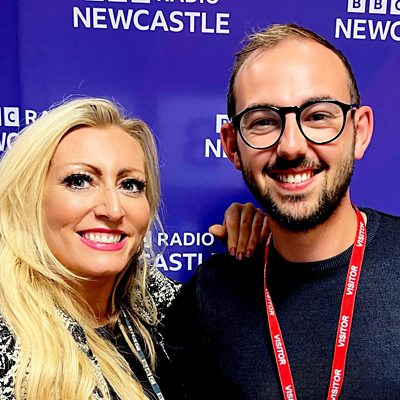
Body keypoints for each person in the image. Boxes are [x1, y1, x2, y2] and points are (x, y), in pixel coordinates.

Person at [162, 24, 400, 399]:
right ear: (232, 146)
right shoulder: (207, 299)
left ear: (360, 132)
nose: (291, 146)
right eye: (263, 121)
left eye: (318, 116)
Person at [0, 97, 265, 400]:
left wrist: (265, 243)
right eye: (80, 181)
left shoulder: (156, 307)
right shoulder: (8, 340)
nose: (113, 210)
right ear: (28, 198)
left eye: (130, 185)